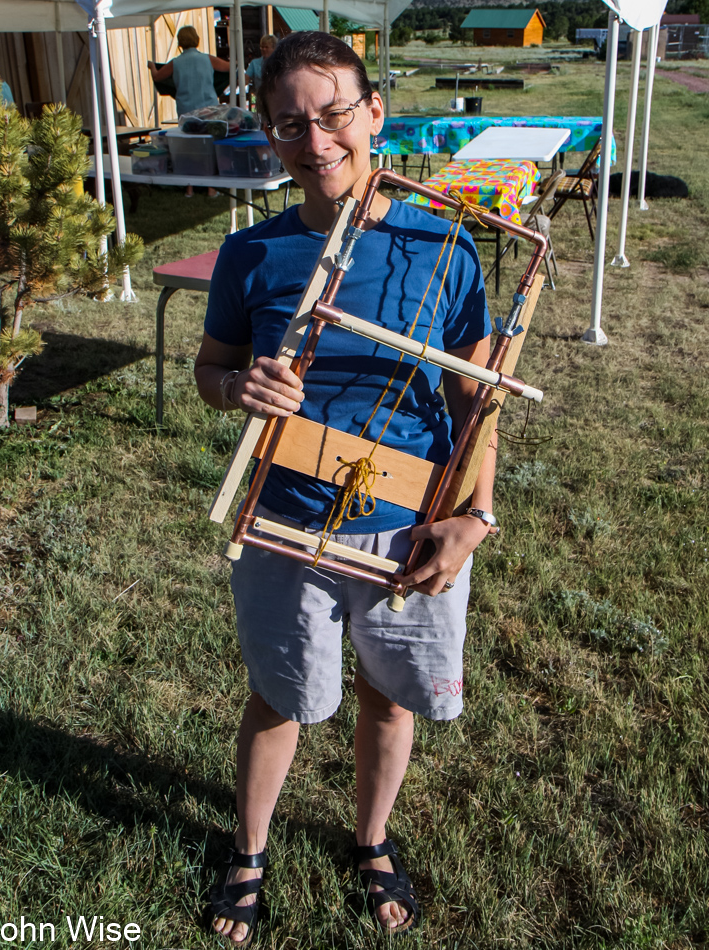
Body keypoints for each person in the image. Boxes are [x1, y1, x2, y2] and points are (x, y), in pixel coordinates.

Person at [194, 31, 499, 946]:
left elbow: (475, 399)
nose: (316, 139)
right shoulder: (251, 255)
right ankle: (248, 852)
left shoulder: (440, 246)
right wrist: (237, 386)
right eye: (291, 123)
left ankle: (370, 840)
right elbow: (214, 367)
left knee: (388, 691)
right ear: (269, 136)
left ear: (373, 115)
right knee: (282, 693)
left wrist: (473, 516)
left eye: (333, 115)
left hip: (406, 522)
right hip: (287, 514)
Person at [147, 26, 229, 197]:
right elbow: (229, 67)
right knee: (208, 146)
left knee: (188, 148)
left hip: (187, 111)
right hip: (208, 110)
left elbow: (157, 77)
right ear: (196, 39)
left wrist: (152, 66)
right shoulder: (207, 59)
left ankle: (189, 188)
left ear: (180, 41)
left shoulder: (175, 63)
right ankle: (211, 188)